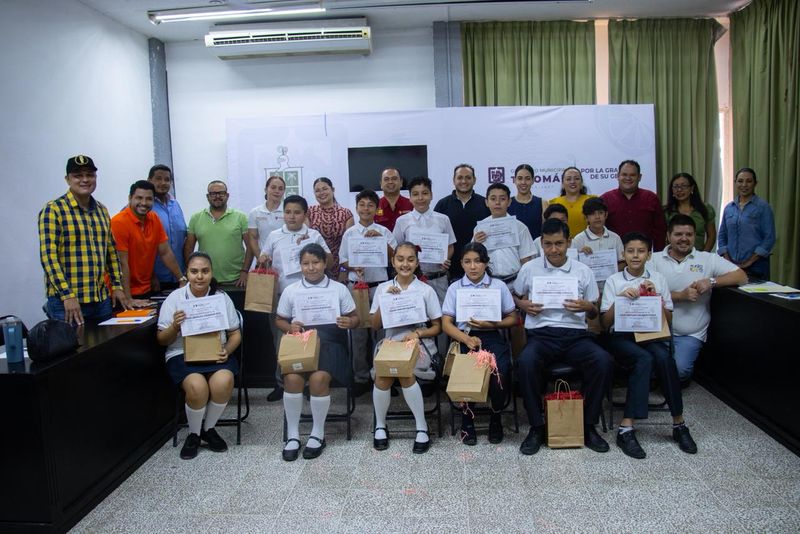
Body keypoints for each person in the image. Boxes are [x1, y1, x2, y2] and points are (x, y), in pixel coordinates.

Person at [512, 219, 612, 455]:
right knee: (524, 363)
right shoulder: (530, 268)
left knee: (603, 361)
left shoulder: (583, 270)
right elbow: (515, 297)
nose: (553, 250)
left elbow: (595, 311)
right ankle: (537, 426)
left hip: (576, 336)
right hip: (541, 336)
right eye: (548, 244)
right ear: (541, 244)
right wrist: (522, 305)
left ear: (569, 242)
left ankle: (588, 426)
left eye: (559, 243)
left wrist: (588, 306)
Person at [600, 232, 697, 459]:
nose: (635, 256)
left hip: (650, 334)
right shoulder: (614, 280)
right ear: (623, 254)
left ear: (649, 255)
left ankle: (678, 424)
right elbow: (605, 323)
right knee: (644, 359)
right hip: (621, 337)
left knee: (664, 359)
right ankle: (626, 428)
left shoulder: (658, 279)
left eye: (641, 251)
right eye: (631, 251)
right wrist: (620, 300)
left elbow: (669, 320)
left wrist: (657, 299)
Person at [276, 243, 359, 461]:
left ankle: (317, 433)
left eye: (316, 262)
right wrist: (290, 327)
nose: (311, 268)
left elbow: (356, 318)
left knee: (318, 379)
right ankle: (293, 435)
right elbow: (279, 320)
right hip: (300, 344)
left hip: (331, 344)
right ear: (300, 265)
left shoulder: (338, 289)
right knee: (292, 378)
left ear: (324, 264)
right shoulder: (291, 290)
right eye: (305, 263)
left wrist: (347, 322)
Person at [156, 252, 241, 459]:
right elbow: (162, 340)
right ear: (187, 273)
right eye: (194, 272)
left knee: (224, 381)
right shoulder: (175, 298)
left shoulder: (221, 297)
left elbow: (235, 334)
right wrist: (175, 326)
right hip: (181, 353)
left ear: (212, 273)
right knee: (197, 387)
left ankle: (208, 429)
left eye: (205, 271)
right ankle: (193, 434)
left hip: (216, 353)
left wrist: (227, 351)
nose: (200, 277)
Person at [650, 214, 747, 381]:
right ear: (668, 236)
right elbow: (647, 296)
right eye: (678, 234)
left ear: (695, 236)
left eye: (689, 234)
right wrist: (681, 295)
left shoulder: (708, 259)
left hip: (690, 333)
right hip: (656, 332)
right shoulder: (653, 259)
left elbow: (741, 277)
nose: (684, 239)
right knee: (641, 365)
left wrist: (711, 281)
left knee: (679, 372)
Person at [38, 155, 130, 325]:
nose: (85, 180)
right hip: (66, 303)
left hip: (100, 300)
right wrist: (67, 296)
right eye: (78, 175)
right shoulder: (53, 210)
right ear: (67, 179)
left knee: (105, 350)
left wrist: (117, 286)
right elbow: (49, 258)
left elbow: (111, 251)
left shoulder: (102, 210)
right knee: (74, 350)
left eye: (90, 175)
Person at [441, 242, 518, 445]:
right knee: (466, 371)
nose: (473, 266)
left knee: (500, 371)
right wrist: (466, 339)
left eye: (477, 261)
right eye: (467, 262)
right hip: (464, 336)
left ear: (486, 263)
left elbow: (513, 318)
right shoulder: (455, 287)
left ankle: (496, 417)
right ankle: (467, 419)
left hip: (491, 333)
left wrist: (492, 322)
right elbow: (446, 324)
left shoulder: (498, 286)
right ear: (461, 264)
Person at [369, 242, 442, 454]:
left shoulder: (426, 290)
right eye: (400, 259)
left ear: (417, 263)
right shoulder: (384, 288)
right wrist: (385, 302)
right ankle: (380, 425)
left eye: (410, 259)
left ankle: (422, 427)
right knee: (383, 375)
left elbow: (437, 327)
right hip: (390, 343)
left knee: (405, 371)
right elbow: (374, 326)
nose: (405, 264)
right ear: (393, 262)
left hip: (418, 343)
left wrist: (419, 333)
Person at [259, 195, 331, 402]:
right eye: (288, 212)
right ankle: (282, 383)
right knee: (281, 341)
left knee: (311, 339)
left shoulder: (313, 234)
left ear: (305, 215)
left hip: (311, 297)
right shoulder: (274, 235)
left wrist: (310, 244)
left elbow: (329, 262)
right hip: (282, 295)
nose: (291, 216)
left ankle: (309, 383)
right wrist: (263, 260)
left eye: (297, 212)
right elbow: (263, 261)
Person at [338, 189, 397, 397]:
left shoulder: (384, 231)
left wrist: (381, 240)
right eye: (362, 204)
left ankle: (383, 375)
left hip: (380, 287)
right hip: (357, 288)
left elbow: (396, 259)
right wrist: (352, 268)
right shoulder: (350, 233)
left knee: (382, 334)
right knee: (359, 336)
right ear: (357, 208)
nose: (366, 208)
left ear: (376, 209)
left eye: (370, 205)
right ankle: (361, 377)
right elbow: (342, 265)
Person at [111, 180, 185, 303]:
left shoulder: (154, 218)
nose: (144, 203)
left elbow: (165, 252)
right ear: (130, 198)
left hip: (145, 290)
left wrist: (181, 279)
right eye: (139, 198)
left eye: (149, 199)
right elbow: (122, 263)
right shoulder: (119, 222)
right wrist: (128, 298)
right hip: (123, 294)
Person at [392, 176, 456, 304]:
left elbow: (450, 246)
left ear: (431, 195)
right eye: (415, 194)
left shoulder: (443, 219)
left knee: (441, 317)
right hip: (411, 280)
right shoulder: (402, 221)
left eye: (425, 193)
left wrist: (445, 260)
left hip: (438, 278)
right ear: (410, 197)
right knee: (416, 318)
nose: (420, 198)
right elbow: (396, 249)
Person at [184, 181, 250, 286]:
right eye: (213, 194)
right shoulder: (196, 218)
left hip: (236, 280)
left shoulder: (241, 217)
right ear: (207, 196)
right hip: (205, 280)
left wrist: (245, 271)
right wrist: (190, 272)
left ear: (227, 195)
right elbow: (188, 248)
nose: (217, 196)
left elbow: (250, 247)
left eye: (221, 193)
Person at [717, 167, 776, 280]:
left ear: (755, 183)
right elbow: (722, 236)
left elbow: (769, 238)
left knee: (754, 297)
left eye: (748, 181)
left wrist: (749, 262)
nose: (744, 185)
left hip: (757, 265)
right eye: (740, 181)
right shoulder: (729, 208)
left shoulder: (763, 207)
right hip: (731, 265)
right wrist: (727, 260)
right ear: (735, 182)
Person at [433, 164, 490, 280]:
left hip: (478, 268)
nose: (464, 181)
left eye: (468, 177)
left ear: (474, 180)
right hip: (449, 269)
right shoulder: (442, 205)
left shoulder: (485, 204)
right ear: (454, 180)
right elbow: (435, 237)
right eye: (459, 178)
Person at [472, 183, 536, 286]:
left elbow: (526, 260)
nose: (497, 202)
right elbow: (473, 258)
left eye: (502, 199)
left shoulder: (520, 227)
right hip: (488, 283)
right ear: (486, 202)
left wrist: (524, 285)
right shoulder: (479, 228)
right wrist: (476, 244)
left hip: (515, 282)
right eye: (493, 199)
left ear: (509, 202)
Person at [601, 160, 667, 251]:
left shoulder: (651, 198)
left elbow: (660, 230)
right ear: (618, 176)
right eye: (624, 174)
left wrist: (658, 254)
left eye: (632, 175)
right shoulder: (605, 199)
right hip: (614, 256)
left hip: (644, 255)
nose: (628, 178)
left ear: (639, 177)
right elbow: (599, 229)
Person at [148, 164, 187, 292]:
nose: (163, 183)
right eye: (158, 179)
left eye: (167, 179)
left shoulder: (175, 204)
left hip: (179, 277)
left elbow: (183, 237)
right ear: (149, 181)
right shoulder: (143, 205)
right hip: (154, 280)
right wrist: (151, 275)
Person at [571, 197, 625, 285]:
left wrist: (611, 274)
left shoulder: (615, 237)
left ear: (606, 215)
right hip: (587, 285)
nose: (597, 217)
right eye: (592, 214)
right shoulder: (578, 239)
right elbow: (573, 265)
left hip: (611, 284)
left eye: (600, 213)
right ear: (586, 217)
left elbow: (622, 262)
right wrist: (580, 254)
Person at [307, 177, 354, 278]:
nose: (321, 193)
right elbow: (305, 241)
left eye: (325, 189)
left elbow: (350, 247)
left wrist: (344, 269)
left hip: (340, 266)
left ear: (332, 190)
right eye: (317, 191)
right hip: (315, 265)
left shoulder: (346, 213)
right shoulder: (309, 212)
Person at [664, 172, 716, 252]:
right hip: (674, 257)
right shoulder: (666, 212)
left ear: (692, 188)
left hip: (699, 256)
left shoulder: (705, 209)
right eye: (676, 187)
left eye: (683, 186)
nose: (679, 190)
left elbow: (711, 236)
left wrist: (704, 255)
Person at [247, 175, 285, 266]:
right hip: (263, 262)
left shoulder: (288, 211)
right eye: (273, 187)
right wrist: (260, 258)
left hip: (285, 261)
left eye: (280, 189)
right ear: (266, 189)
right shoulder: (255, 212)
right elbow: (253, 238)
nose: (277, 191)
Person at [549, 167, 596, 239]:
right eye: (568, 179)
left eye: (576, 178)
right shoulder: (553, 203)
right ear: (562, 183)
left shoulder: (592, 200)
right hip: (562, 246)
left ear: (581, 182)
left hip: (588, 246)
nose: (572, 182)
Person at [508, 163, 548, 241]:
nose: (523, 182)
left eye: (527, 178)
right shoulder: (507, 203)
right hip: (514, 251)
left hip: (536, 249)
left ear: (533, 180)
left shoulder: (542, 203)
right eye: (520, 178)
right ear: (514, 180)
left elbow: (547, 232)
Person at [374, 167, 413, 232]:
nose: (390, 182)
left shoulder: (412, 204)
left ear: (401, 182)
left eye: (394, 179)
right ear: (381, 184)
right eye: (386, 179)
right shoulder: (374, 206)